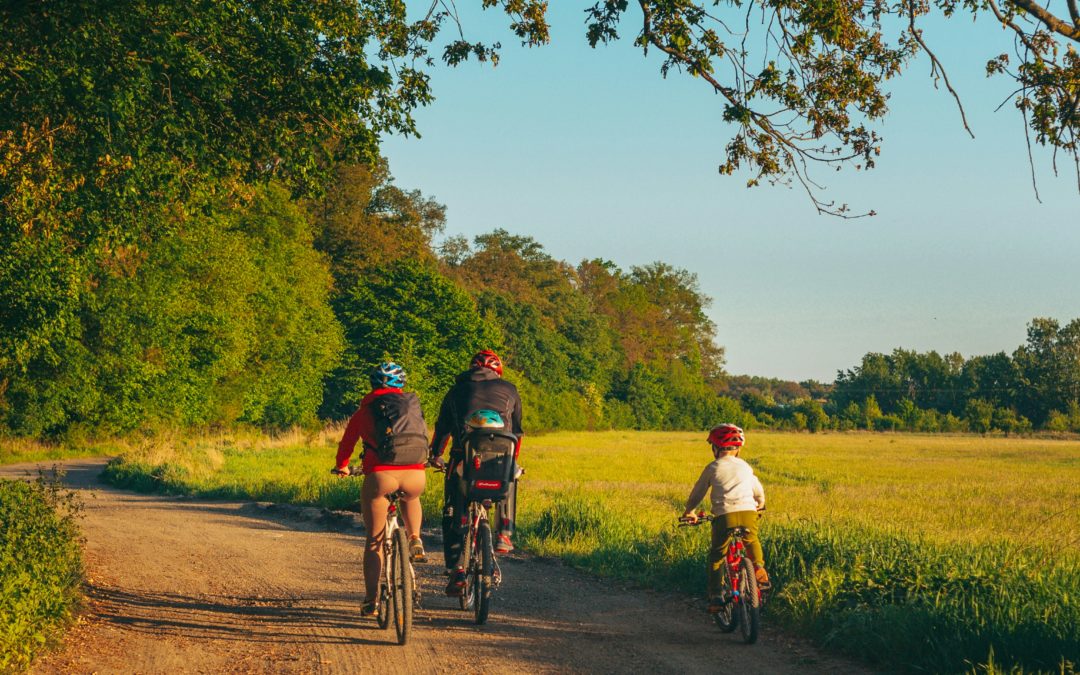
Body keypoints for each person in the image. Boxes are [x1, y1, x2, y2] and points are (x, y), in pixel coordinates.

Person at [334, 362, 429, 617]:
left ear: (373, 385)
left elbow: (347, 444)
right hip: (415, 474)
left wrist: (342, 466)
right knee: (411, 496)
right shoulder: (411, 408)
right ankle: (415, 538)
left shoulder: (364, 411)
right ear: (402, 385)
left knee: (374, 541)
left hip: (381, 476)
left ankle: (371, 600)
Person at [430, 349, 523, 596]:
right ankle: (504, 532)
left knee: (452, 510)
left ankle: (456, 569)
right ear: (498, 372)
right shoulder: (510, 390)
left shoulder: (455, 390)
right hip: (501, 460)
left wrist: (434, 455)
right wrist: (511, 459)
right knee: (511, 478)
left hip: (464, 460)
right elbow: (517, 433)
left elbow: (442, 430)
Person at [681, 423, 769, 612]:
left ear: (715, 448)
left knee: (717, 555)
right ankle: (758, 567)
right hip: (748, 512)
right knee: (751, 539)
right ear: (737, 449)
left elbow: (698, 493)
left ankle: (716, 596)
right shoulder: (745, 467)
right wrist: (760, 504)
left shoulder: (713, 468)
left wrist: (690, 511)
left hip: (724, 516)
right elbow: (758, 491)